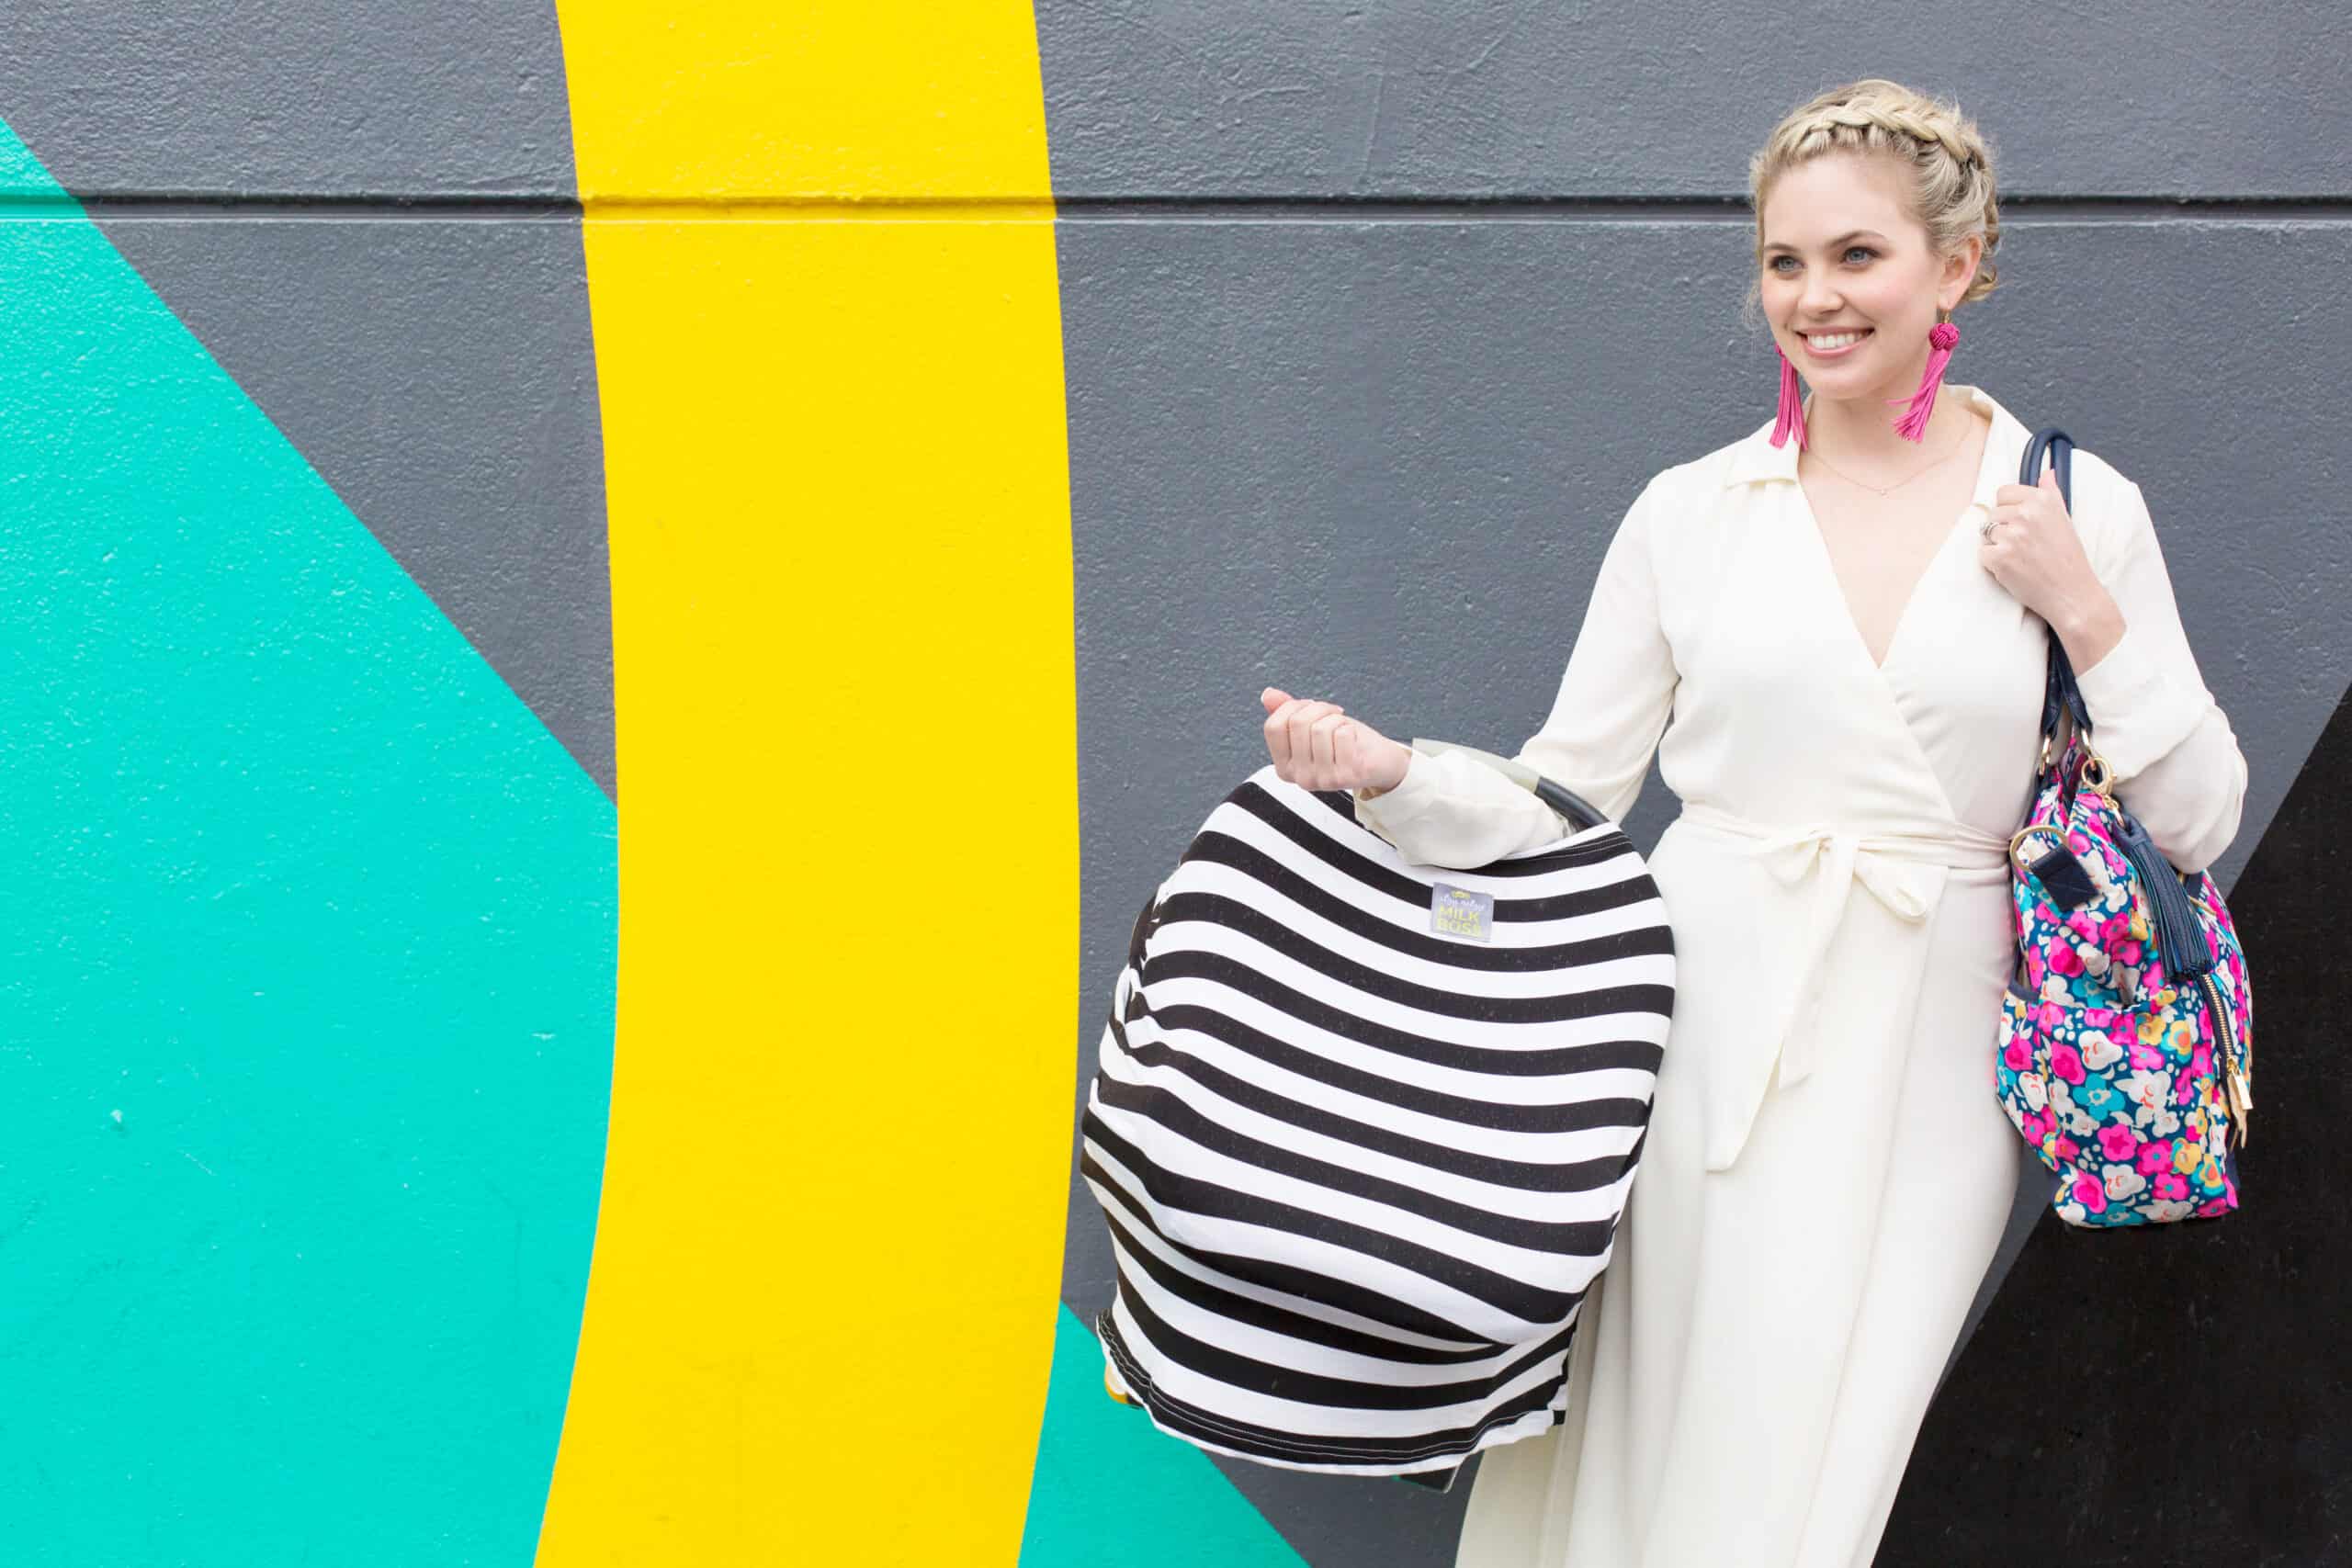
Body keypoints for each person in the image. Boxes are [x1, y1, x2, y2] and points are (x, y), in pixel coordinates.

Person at [1255, 78, 2246, 1567]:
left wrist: (2086, 613)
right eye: (1785, 261)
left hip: (1931, 1049)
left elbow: (2200, 817)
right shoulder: (1694, 511)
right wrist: (1398, 778)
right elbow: (1566, 797)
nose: (1814, 298)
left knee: (1815, 1478)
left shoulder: (2071, 507)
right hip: (1689, 1032)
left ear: (1956, 268)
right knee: (1636, 1449)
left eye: (1858, 256)